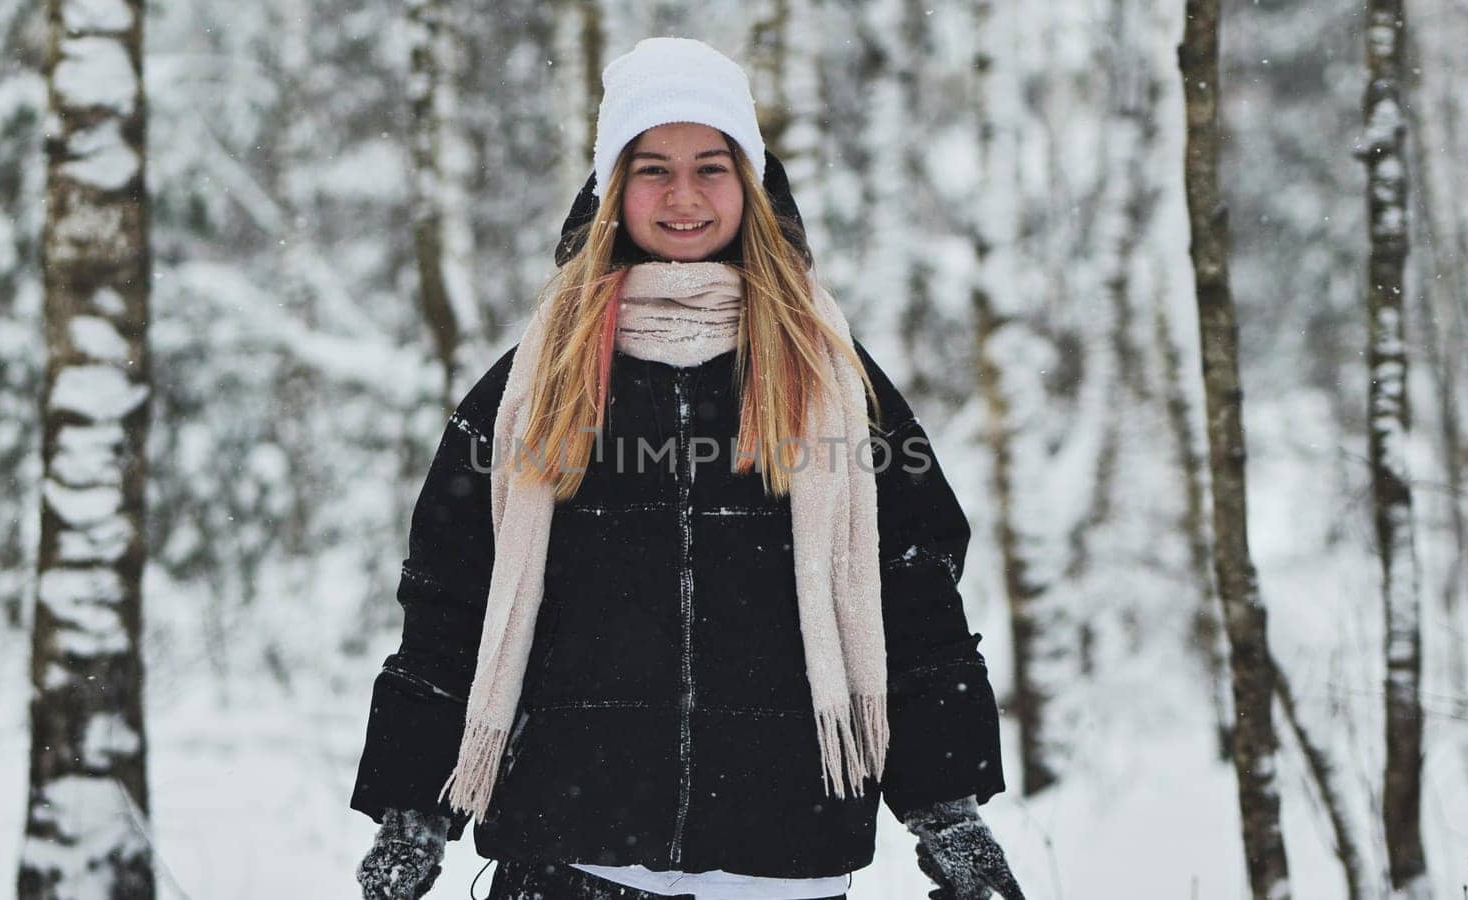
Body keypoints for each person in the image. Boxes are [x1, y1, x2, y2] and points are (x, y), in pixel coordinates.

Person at [351, 36, 1025, 900]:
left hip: (784, 856)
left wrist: (951, 815)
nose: (683, 197)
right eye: (651, 169)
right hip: (571, 850)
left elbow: (914, 590)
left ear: (749, 182)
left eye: (712, 167)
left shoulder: (832, 379)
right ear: (610, 189)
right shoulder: (538, 379)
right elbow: (451, 598)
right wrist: (412, 813)